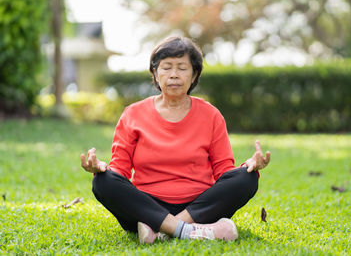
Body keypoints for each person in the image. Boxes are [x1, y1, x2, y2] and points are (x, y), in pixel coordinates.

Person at [80, 36, 271, 244]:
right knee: (102, 182)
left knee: (248, 178)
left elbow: (224, 171)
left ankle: (162, 230)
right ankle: (191, 231)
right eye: (166, 67)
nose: (173, 75)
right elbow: (120, 170)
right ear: (155, 72)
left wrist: (248, 166)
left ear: (194, 74)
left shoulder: (211, 115)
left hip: (199, 207)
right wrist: (101, 169)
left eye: (182, 68)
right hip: (146, 206)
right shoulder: (132, 114)